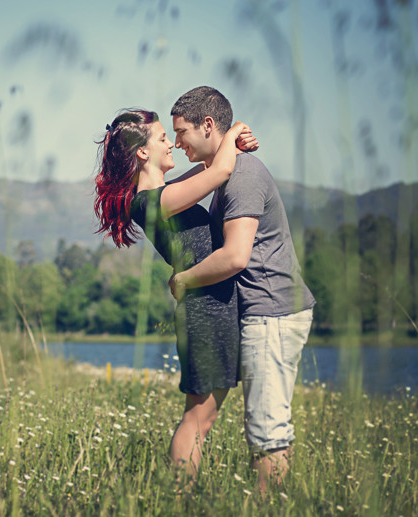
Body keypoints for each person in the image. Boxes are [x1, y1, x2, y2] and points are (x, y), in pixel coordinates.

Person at [167, 86, 316, 495]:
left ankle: (269, 506)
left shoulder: (242, 176)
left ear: (207, 125)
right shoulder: (224, 168)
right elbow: (169, 194)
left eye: (181, 133)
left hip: (272, 311)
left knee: (267, 429)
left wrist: (183, 280)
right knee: (263, 425)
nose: (177, 143)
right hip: (263, 311)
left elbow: (235, 257)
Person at [93, 109, 257, 478]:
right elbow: (219, 172)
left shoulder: (160, 194)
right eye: (163, 138)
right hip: (206, 313)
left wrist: (234, 145)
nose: (172, 144)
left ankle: (179, 493)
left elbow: (208, 168)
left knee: (202, 416)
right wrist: (232, 133)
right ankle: (179, 495)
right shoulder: (149, 202)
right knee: (198, 418)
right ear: (143, 152)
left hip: (210, 309)